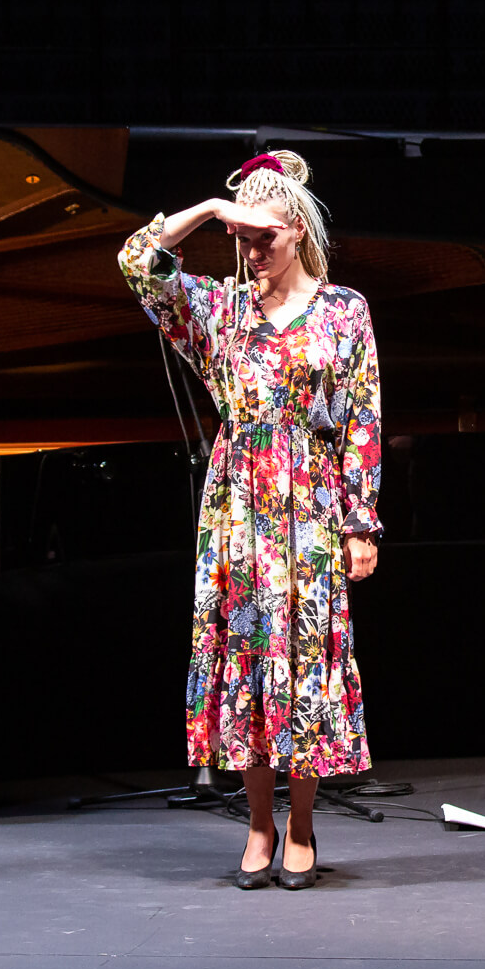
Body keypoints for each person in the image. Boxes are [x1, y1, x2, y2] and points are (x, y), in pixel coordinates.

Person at [116, 151, 381, 890]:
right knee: (246, 659)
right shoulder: (221, 310)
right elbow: (137, 261)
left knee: (304, 661)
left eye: (265, 237)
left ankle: (301, 826)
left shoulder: (344, 310)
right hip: (237, 504)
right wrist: (211, 208)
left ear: (297, 230)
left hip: (311, 502)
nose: (252, 251)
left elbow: (362, 421)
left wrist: (361, 524)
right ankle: (259, 824)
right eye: (242, 238)